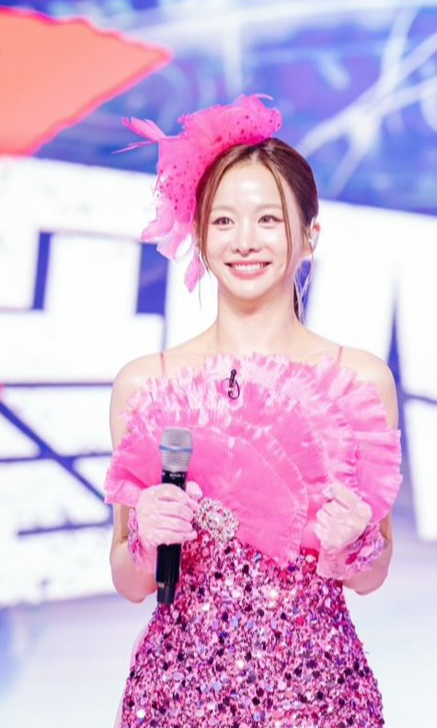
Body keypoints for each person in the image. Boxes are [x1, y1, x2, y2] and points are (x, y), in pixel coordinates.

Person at [104, 94, 403, 728]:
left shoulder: (357, 381)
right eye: (223, 221)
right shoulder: (149, 385)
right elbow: (130, 582)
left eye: (268, 219)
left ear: (310, 236)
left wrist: (358, 541)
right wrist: (146, 538)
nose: (245, 241)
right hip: (178, 697)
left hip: (319, 696)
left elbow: (374, 574)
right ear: (199, 235)